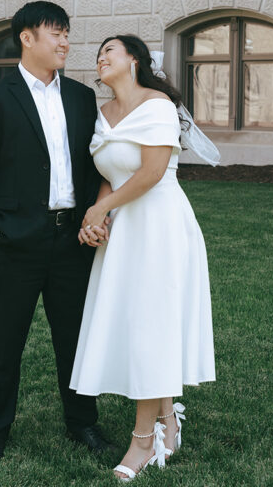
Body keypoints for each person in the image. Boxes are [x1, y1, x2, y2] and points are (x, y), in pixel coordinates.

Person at [0, 1, 109, 471]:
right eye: (55, 34)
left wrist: (93, 217)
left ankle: (82, 421)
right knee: (4, 343)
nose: (65, 42)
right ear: (27, 38)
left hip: (72, 241)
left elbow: (92, 168)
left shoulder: (83, 97)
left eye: (68, 33)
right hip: (16, 242)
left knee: (76, 338)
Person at [69, 34, 216, 481]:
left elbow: (152, 172)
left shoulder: (156, 106)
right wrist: (96, 220)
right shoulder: (103, 115)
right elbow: (111, 175)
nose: (101, 57)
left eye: (109, 50)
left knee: (152, 324)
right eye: (98, 54)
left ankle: (143, 441)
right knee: (138, 325)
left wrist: (100, 209)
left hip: (159, 227)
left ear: (133, 59)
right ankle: (168, 416)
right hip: (124, 231)